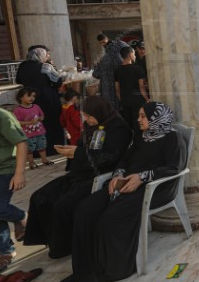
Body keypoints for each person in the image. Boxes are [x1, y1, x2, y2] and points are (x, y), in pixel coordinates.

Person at [64, 101, 185, 282]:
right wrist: (118, 174)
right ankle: (84, 268)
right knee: (84, 211)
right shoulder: (141, 136)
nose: (138, 119)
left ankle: (111, 268)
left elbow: (173, 168)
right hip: (125, 184)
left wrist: (142, 177)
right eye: (139, 115)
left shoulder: (172, 138)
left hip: (153, 188)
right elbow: (125, 159)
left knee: (109, 218)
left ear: (157, 117)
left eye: (143, 116)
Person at [23, 96, 132, 259]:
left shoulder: (118, 128)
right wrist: (71, 151)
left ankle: (65, 245)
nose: (86, 120)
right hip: (80, 173)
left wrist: (76, 153)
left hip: (100, 176)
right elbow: (82, 147)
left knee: (63, 205)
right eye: (84, 116)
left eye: (88, 116)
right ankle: (51, 240)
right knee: (40, 197)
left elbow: (108, 157)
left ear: (99, 112)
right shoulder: (90, 126)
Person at [0, 81, 28, 273]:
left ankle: (22, 217)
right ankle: (6, 250)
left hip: (5, 170)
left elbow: (21, 143)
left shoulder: (3, 117)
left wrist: (19, 173)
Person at [16, 46, 65, 155]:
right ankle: (53, 149)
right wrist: (53, 67)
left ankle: (36, 152)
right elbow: (58, 82)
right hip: (48, 99)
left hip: (29, 100)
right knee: (51, 123)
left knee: (34, 126)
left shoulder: (23, 66)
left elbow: (18, 80)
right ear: (41, 55)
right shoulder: (45, 66)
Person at [115, 46, 150, 137]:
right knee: (140, 124)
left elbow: (117, 89)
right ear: (130, 55)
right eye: (134, 54)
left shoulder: (117, 70)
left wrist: (122, 100)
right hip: (138, 101)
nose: (135, 56)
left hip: (125, 101)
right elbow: (142, 87)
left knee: (130, 125)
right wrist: (147, 99)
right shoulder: (137, 69)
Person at [13, 87, 51, 168]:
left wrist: (40, 118)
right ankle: (31, 162)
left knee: (42, 146)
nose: (32, 98)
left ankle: (44, 159)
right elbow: (17, 122)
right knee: (29, 149)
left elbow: (42, 115)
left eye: (33, 96)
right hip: (27, 134)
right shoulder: (18, 110)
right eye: (29, 96)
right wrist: (29, 122)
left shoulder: (36, 106)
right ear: (21, 97)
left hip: (40, 132)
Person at [92, 34, 130, 110]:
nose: (103, 44)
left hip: (110, 91)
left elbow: (95, 74)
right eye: (101, 43)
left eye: (103, 42)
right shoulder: (107, 58)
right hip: (116, 88)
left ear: (107, 38)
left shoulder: (106, 58)